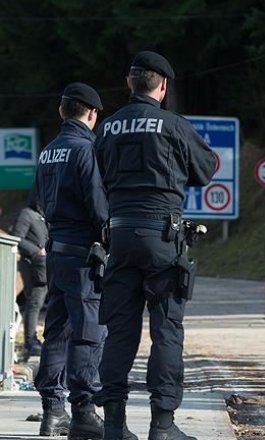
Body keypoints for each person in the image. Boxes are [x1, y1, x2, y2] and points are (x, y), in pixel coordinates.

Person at [94, 51, 217, 440]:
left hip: (119, 238)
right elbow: (206, 168)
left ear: (130, 83)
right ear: (163, 86)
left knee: (119, 332)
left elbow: (95, 178)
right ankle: (162, 425)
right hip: (163, 239)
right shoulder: (173, 125)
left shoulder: (108, 127)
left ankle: (114, 425)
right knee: (166, 331)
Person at [32, 82, 115, 439]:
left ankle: (52, 412)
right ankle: (84, 411)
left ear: (62, 111)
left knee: (56, 331)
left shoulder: (48, 151)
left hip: (56, 252)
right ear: (92, 114)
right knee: (87, 332)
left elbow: (38, 200)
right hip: (83, 253)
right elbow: (99, 206)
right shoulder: (87, 150)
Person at [10, 192, 48, 358]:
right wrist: (36, 252)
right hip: (32, 266)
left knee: (37, 304)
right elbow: (17, 238)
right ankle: (29, 340)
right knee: (34, 303)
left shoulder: (41, 216)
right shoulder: (27, 214)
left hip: (44, 266)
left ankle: (33, 339)